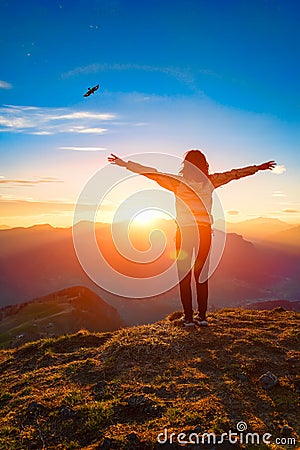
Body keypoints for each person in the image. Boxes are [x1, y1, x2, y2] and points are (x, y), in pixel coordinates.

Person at [108, 151, 276, 327]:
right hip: (204, 233)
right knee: (201, 276)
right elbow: (234, 174)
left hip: (185, 233)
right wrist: (257, 168)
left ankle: (188, 318)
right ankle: (202, 317)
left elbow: (151, 173)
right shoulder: (210, 182)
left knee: (184, 277)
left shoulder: (177, 183)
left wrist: (125, 164)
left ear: (185, 165)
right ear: (205, 165)